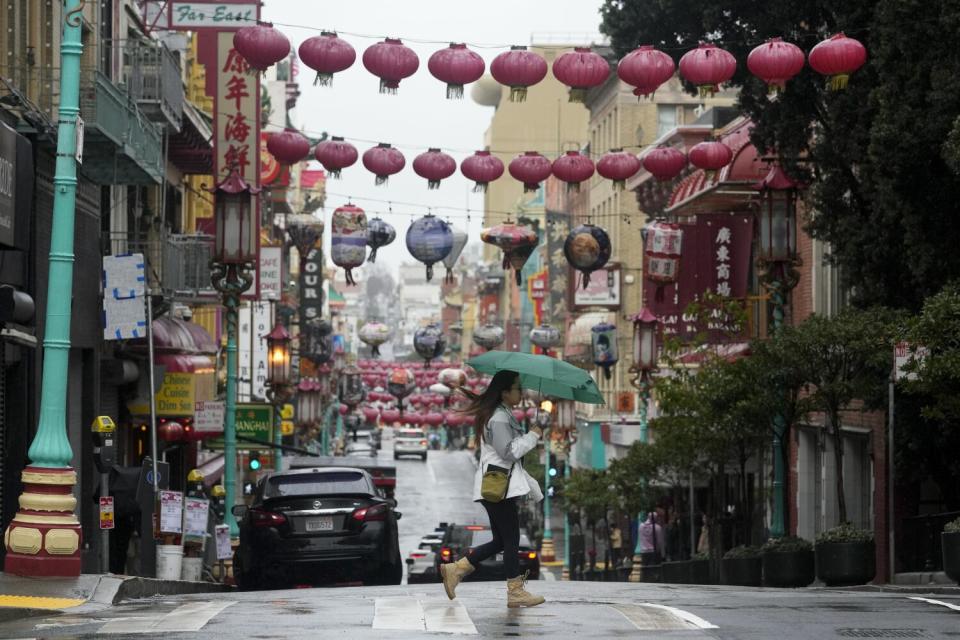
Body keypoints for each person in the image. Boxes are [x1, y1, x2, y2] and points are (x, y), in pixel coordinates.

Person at [439, 370, 546, 608]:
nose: (521, 392)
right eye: (517, 388)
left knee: (501, 540)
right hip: (499, 486)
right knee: (511, 539)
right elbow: (507, 452)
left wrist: (530, 434)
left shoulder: (503, 414)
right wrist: (533, 435)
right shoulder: (499, 417)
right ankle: (515, 592)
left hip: (498, 485)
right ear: (505, 392)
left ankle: (456, 570)